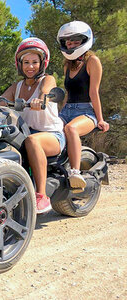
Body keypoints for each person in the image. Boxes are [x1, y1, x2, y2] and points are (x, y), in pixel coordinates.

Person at [0, 37, 65, 214]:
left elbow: (48, 89)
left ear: (42, 63)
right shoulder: (17, 85)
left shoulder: (47, 80)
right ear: (20, 64)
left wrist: (42, 98)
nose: (30, 66)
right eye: (26, 62)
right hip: (24, 132)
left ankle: (41, 195)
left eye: (35, 62)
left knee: (32, 141)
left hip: (51, 134)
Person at [57, 21, 110, 190]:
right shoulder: (67, 64)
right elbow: (67, 93)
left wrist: (100, 119)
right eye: (68, 42)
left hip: (86, 111)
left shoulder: (92, 61)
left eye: (75, 41)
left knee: (71, 129)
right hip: (67, 110)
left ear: (84, 41)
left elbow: (94, 92)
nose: (71, 45)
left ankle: (75, 172)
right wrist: (58, 114)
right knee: (48, 129)